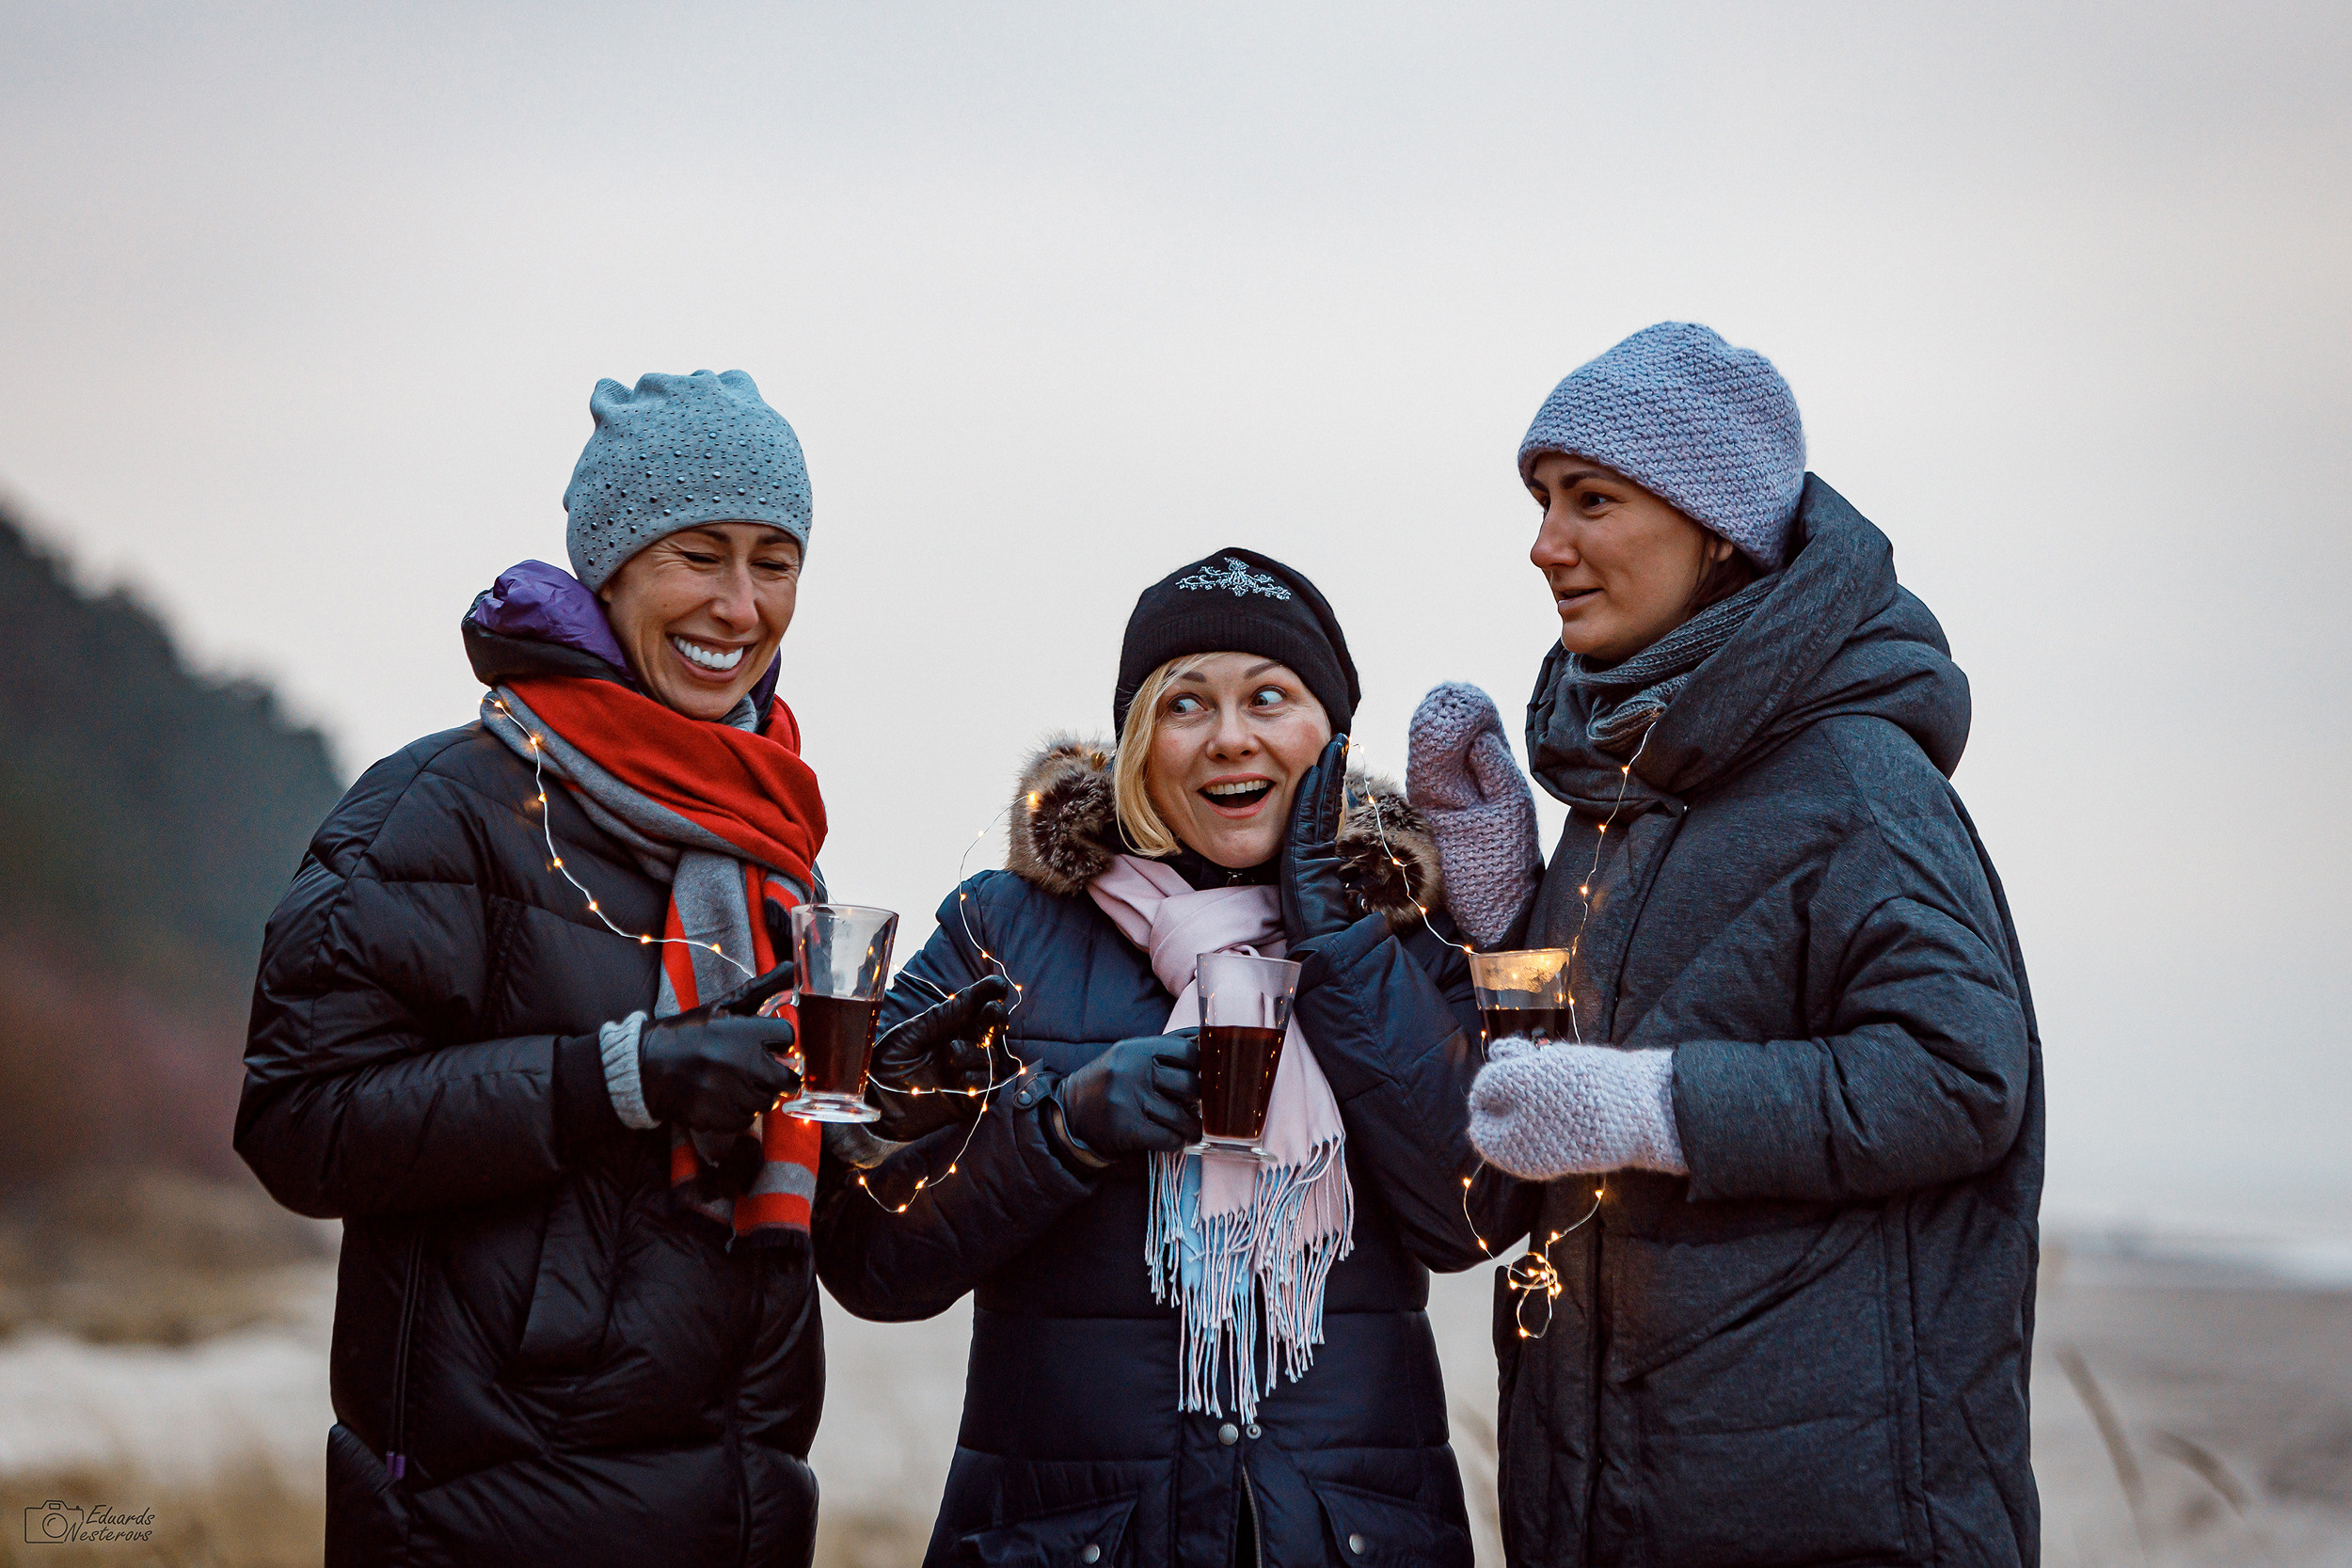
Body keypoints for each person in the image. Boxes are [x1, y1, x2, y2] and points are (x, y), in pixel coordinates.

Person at [237, 370, 1002, 1566]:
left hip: (736, 1499)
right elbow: (299, 1122)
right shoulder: (444, 809)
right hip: (477, 1510)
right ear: (611, 563)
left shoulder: (766, 828)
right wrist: (625, 1078)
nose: (740, 605)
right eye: (698, 554)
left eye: (775, 561)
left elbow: (763, 1134)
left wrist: (889, 1098)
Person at [1406, 323, 2042, 1566]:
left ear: (1718, 530)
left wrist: (1655, 1105)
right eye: (1541, 500)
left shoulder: (1855, 780)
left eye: (1592, 499)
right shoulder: (1633, 786)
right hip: (1616, 1504)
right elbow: (1571, 1092)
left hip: (1826, 1522)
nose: (1546, 542)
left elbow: (1964, 1076)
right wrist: (1499, 920)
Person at [815, 548, 1490, 1566]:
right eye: (1185, 704)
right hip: (1062, 1542)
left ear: (1332, 735)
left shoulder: (1405, 936)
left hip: (1348, 1540)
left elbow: (1471, 1213)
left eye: (1270, 695)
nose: (1230, 737)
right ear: (1137, 737)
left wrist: (1334, 938)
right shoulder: (1004, 925)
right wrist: (1063, 1127)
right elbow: (870, 1255)